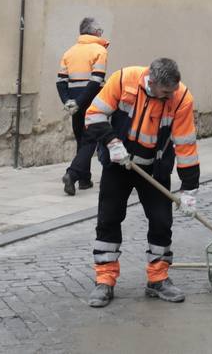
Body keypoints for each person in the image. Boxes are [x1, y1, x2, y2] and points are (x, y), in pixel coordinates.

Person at [82, 57, 199, 308]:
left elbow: (186, 145)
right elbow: (93, 115)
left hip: (155, 169)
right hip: (119, 163)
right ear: (152, 82)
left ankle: (158, 279)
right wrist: (112, 143)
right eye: (166, 92)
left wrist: (189, 189)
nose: (171, 96)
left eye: (173, 91)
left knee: (161, 221)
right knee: (109, 219)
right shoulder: (124, 80)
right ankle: (105, 280)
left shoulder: (181, 98)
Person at [56, 17, 110, 197]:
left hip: (73, 101)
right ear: (95, 33)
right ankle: (72, 174)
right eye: (100, 31)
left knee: (81, 138)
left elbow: (60, 81)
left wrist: (68, 101)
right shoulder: (99, 50)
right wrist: (81, 101)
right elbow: (96, 80)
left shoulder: (69, 52)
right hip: (91, 100)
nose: (102, 34)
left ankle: (85, 179)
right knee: (90, 139)